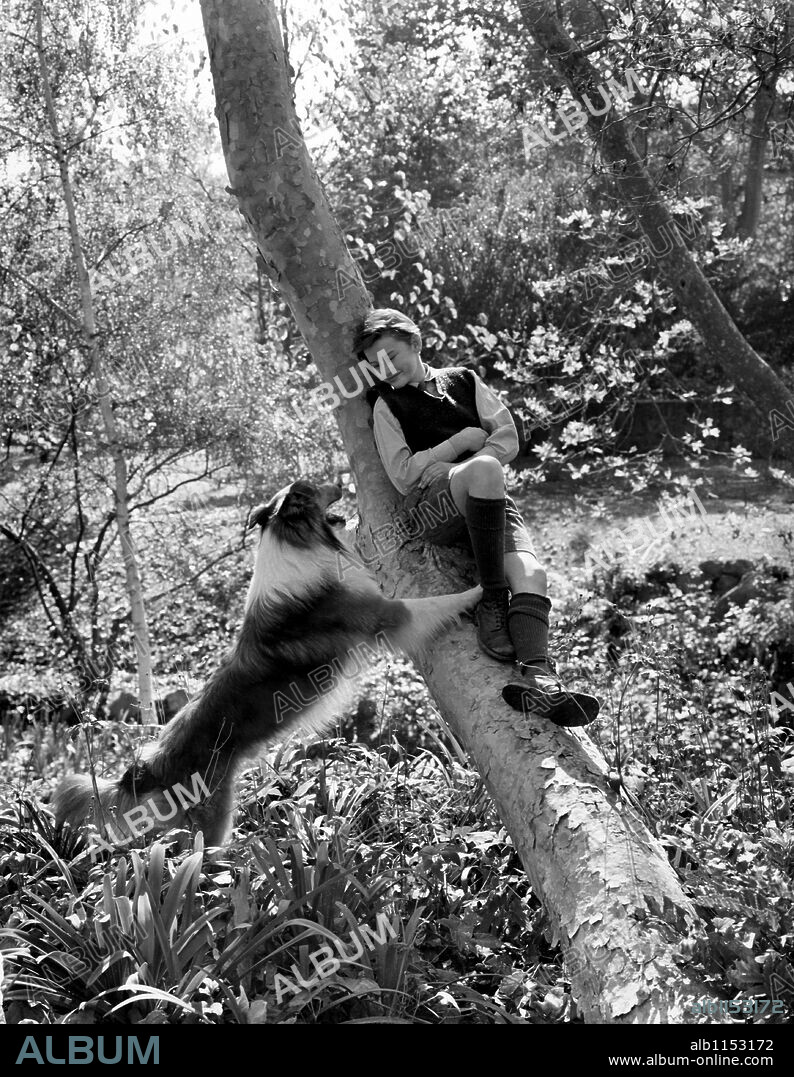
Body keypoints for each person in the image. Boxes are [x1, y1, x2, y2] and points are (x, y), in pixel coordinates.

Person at [353, 308, 599, 727]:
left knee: (533, 573)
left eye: (392, 356)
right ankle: (492, 598)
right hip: (433, 510)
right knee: (484, 468)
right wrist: (462, 443)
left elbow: (506, 437)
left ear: (416, 342)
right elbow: (405, 475)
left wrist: (466, 466)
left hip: (488, 497)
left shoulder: (464, 380)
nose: (387, 369)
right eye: (376, 365)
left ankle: (539, 678)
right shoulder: (386, 406)